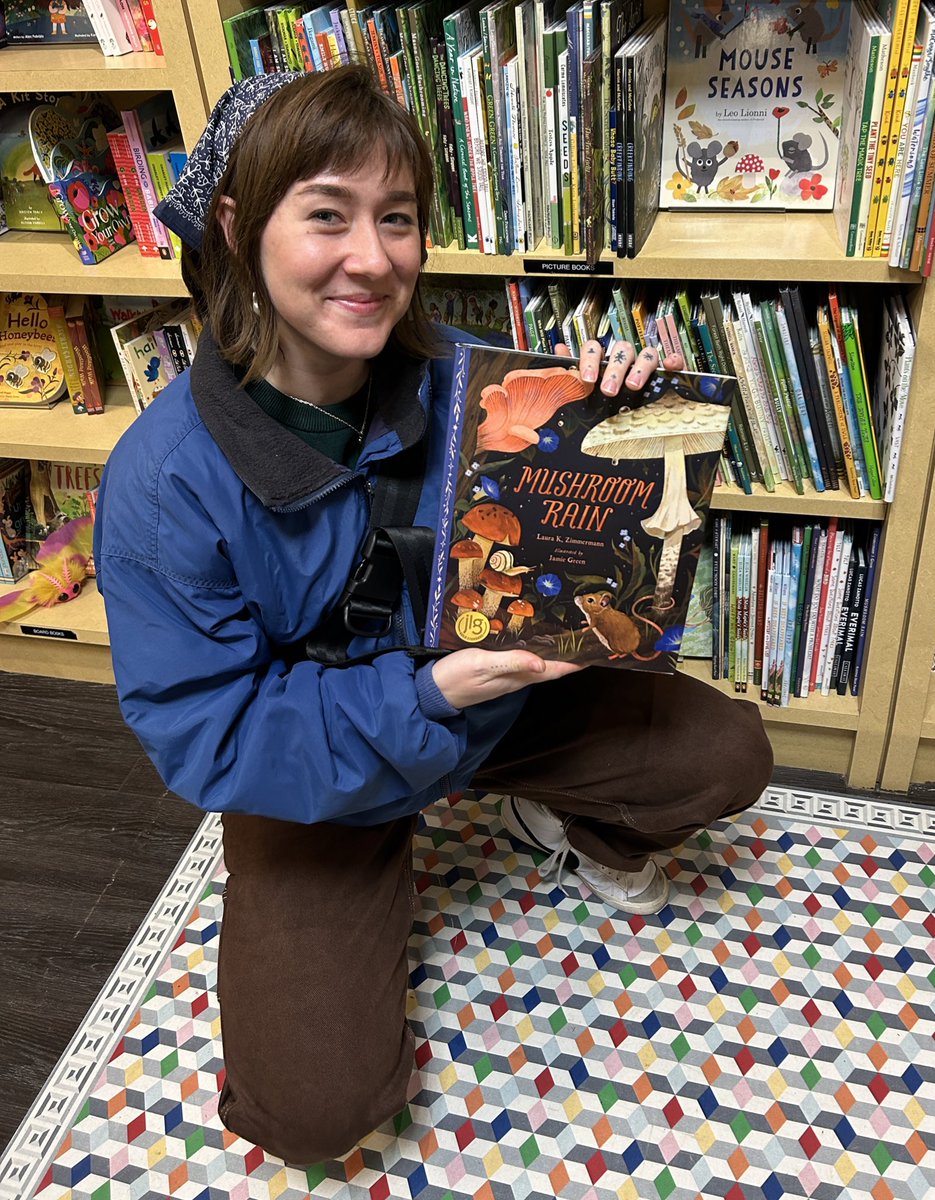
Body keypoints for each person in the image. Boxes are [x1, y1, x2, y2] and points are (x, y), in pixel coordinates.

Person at [95, 66, 773, 1166]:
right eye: (327, 214)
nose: (373, 258)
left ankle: (550, 818)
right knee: (312, 1113)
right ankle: (374, 867)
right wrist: (423, 696)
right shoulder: (163, 481)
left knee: (724, 753)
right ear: (235, 225)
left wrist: (620, 419)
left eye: (397, 218)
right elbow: (207, 733)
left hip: (494, 709)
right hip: (322, 773)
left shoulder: (472, 374)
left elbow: (629, 565)